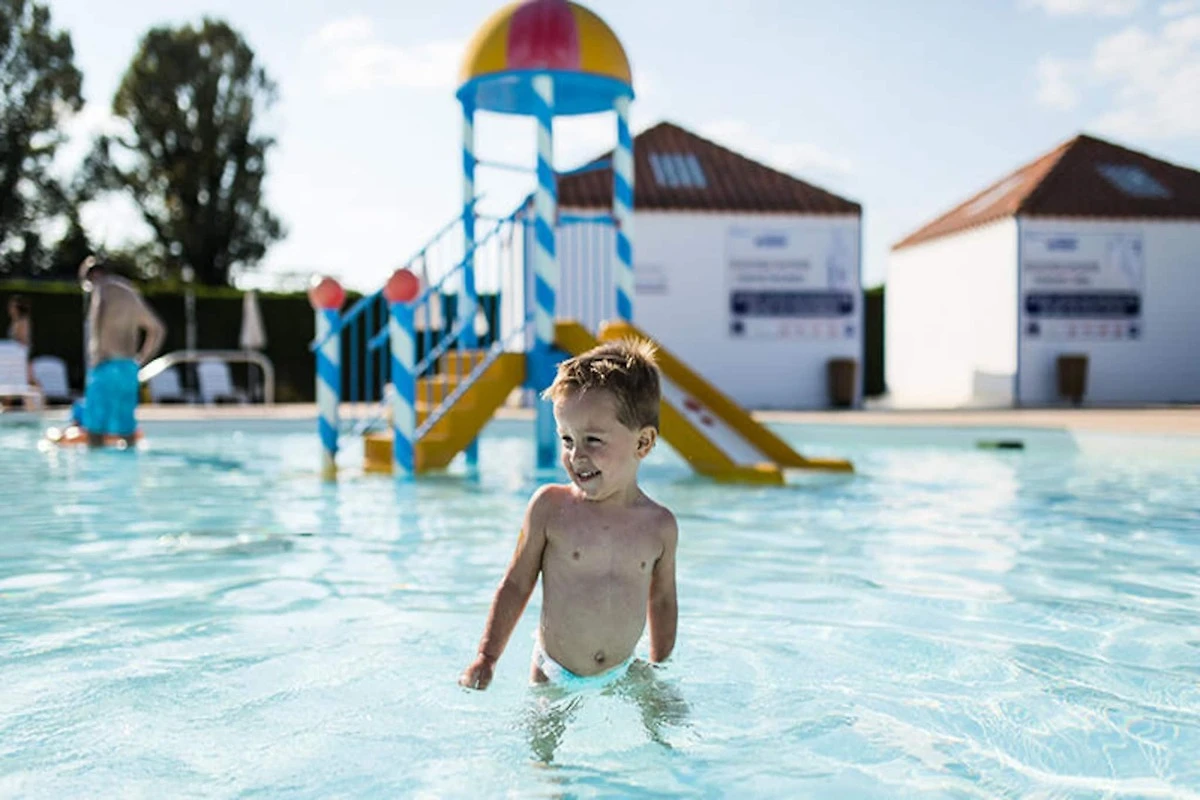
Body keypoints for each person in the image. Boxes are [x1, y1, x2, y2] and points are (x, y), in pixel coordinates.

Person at [459, 338, 679, 693]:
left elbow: (663, 599)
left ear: (642, 443)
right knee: (538, 729)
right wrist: (487, 657)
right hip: (555, 670)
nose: (576, 456)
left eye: (593, 440)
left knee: (671, 720)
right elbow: (516, 585)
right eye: (567, 439)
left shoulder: (659, 526)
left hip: (623, 669)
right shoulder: (551, 508)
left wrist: (661, 667)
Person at [74, 255, 166, 447]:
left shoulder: (101, 288)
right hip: (128, 368)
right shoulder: (129, 291)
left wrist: (96, 354)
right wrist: (141, 359)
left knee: (95, 430)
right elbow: (158, 329)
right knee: (127, 430)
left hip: (105, 365)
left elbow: (97, 317)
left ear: (91, 277)